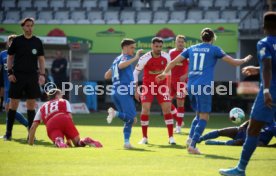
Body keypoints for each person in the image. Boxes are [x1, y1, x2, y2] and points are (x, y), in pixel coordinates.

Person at [157, 28, 252, 154]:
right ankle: (193, 145)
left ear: (201, 37)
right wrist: (245, 60)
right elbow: (234, 63)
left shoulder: (192, 48)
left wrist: (164, 73)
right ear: (212, 38)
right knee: (204, 117)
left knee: (198, 114)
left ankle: (190, 138)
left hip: (191, 86)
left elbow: (173, 62)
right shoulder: (214, 49)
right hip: (203, 86)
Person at [219, 11, 276, 176]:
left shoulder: (264, 43)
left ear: (264, 26)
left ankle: (240, 169)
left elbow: (267, 65)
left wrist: (265, 90)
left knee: (253, 130)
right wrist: (256, 69)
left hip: (270, 92)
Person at [5, 18, 46, 141]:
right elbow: (10, 57)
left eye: (31, 26)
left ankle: (30, 135)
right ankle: (8, 134)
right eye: (27, 26)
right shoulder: (17, 41)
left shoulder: (37, 41)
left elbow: (41, 59)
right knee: (13, 105)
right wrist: (10, 72)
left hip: (32, 76)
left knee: (31, 106)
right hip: (18, 76)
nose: (30, 28)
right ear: (23, 27)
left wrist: (42, 74)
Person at [133, 37, 176, 145]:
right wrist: (136, 90)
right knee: (145, 109)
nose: (158, 48)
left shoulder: (166, 56)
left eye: (160, 46)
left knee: (167, 109)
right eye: (156, 46)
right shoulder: (144, 58)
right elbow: (135, 73)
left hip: (162, 86)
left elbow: (169, 72)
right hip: (148, 86)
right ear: (152, 46)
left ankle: (171, 137)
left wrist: (169, 87)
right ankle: (144, 137)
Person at [28, 89, 103, 148]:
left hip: (51, 124)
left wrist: (31, 144)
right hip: (64, 118)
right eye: (61, 95)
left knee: (58, 139)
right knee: (77, 143)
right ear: (57, 96)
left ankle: (59, 141)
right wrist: (69, 138)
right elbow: (70, 117)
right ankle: (85, 140)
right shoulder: (64, 101)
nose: (62, 96)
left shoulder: (42, 106)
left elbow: (33, 127)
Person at [104, 38, 143, 149]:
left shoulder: (116, 59)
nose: (133, 50)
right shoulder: (126, 58)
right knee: (132, 118)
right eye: (132, 47)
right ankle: (114, 113)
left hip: (116, 91)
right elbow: (121, 66)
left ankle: (126, 143)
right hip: (124, 92)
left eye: (134, 48)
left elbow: (106, 75)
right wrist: (135, 58)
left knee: (129, 119)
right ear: (125, 47)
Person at [0, 35, 28, 140]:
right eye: (10, 42)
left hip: (16, 85)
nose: (12, 44)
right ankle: (9, 134)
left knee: (8, 108)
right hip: (7, 87)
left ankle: (28, 125)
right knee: (9, 110)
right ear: (8, 43)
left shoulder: (21, 55)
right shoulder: (2, 54)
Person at [198, 120, 276, 146]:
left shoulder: (274, 126)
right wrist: (243, 125)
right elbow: (251, 120)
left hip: (251, 141)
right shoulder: (265, 115)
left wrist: (266, 146)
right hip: (242, 131)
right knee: (222, 131)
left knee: (240, 142)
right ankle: (200, 138)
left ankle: (220, 143)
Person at [169, 35, 188, 133]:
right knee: (167, 102)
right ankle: (179, 119)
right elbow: (169, 65)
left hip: (181, 82)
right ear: (175, 42)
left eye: (182, 42)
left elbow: (193, 66)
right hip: (171, 81)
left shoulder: (187, 52)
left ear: (184, 43)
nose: (180, 43)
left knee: (180, 103)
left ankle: (179, 126)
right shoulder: (171, 52)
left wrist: (186, 75)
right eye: (178, 41)